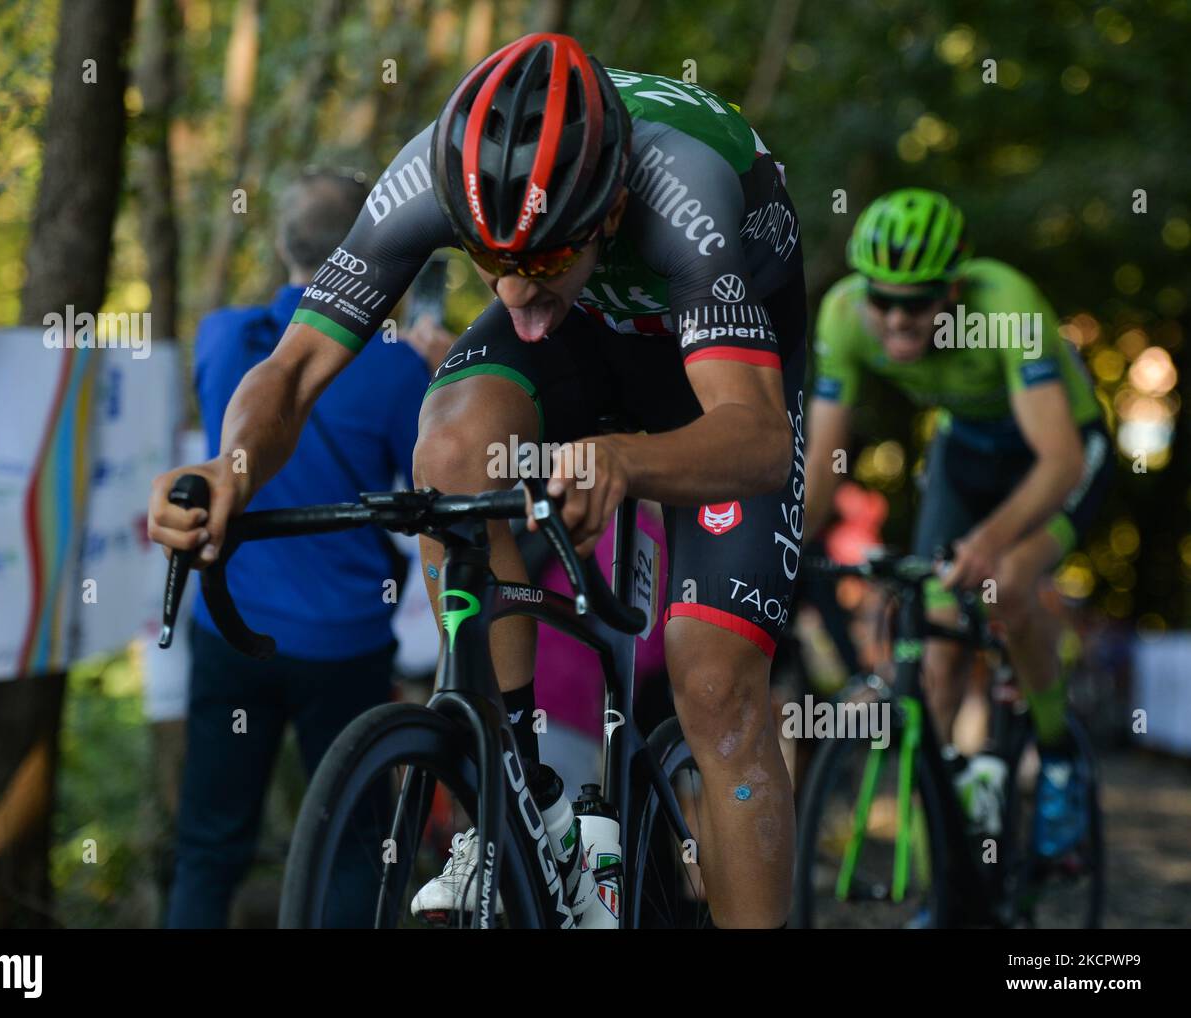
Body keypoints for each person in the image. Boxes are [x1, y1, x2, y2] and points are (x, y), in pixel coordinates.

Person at [150, 33, 806, 929]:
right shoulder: (434, 174)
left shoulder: (680, 189)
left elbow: (759, 439)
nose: (507, 292)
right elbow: (296, 368)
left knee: (713, 682)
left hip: (715, 366)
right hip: (580, 335)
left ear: (608, 214)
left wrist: (626, 459)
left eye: (533, 262)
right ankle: (520, 791)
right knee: (452, 457)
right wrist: (228, 470)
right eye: (483, 260)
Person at [166, 170, 451, 927]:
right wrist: (429, 371)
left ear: (282, 245)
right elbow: (420, 476)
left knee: (207, 850)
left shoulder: (223, 335)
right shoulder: (395, 369)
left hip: (231, 625)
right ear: (374, 257)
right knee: (356, 846)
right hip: (346, 644)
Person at [803, 188, 1113, 862]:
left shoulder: (1006, 304)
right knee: (937, 649)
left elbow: (1059, 461)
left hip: (1055, 450)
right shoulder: (843, 315)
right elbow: (824, 461)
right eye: (879, 299)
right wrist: (785, 544)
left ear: (954, 289)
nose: (894, 320)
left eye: (915, 303)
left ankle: (1058, 757)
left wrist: (989, 541)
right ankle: (945, 864)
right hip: (964, 451)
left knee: (1005, 581)